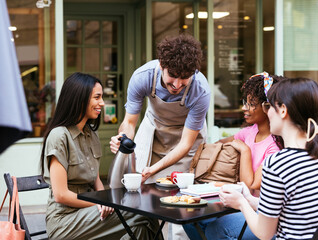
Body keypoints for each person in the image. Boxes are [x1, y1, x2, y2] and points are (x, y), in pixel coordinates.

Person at [220, 78, 318, 239]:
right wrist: (249, 199)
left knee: (218, 228)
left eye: (269, 106)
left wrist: (241, 204)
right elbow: (294, 209)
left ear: (283, 110)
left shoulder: (277, 164)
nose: (267, 112)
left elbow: (264, 233)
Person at [40, 73, 160, 240]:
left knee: (143, 222)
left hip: (90, 214)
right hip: (64, 221)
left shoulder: (91, 135)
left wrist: (105, 202)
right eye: (97, 97)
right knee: (143, 213)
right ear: (79, 99)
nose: (102, 103)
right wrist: (99, 203)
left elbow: (95, 180)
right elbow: (61, 194)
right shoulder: (59, 136)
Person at [183, 72, 284, 240]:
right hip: (237, 203)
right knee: (189, 218)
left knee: (216, 229)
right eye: (245, 102)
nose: (244, 108)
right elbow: (220, 144)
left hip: (260, 211)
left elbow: (250, 185)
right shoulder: (249, 132)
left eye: (251, 104)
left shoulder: (274, 147)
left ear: (267, 108)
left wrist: (245, 151)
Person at [109, 34, 210, 184]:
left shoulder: (200, 90)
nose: (177, 84)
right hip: (153, 132)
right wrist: (123, 138)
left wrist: (154, 169)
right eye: (173, 75)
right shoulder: (142, 77)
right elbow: (129, 123)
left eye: (184, 78)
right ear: (162, 65)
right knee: (145, 186)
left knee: (180, 188)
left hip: (186, 140)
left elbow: (185, 144)